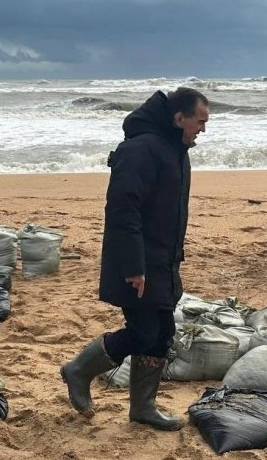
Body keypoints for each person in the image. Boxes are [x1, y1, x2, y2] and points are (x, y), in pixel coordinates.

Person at [60, 87, 209, 430]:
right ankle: (78, 370)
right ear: (178, 118)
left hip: (164, 260)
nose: (202, 129)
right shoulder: (141, 149)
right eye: (199, 122)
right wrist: (133, 267)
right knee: (143, 332)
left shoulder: (176, 149)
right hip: (137, 261)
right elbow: (123, 212)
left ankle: (143, 407)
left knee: (162, 334)